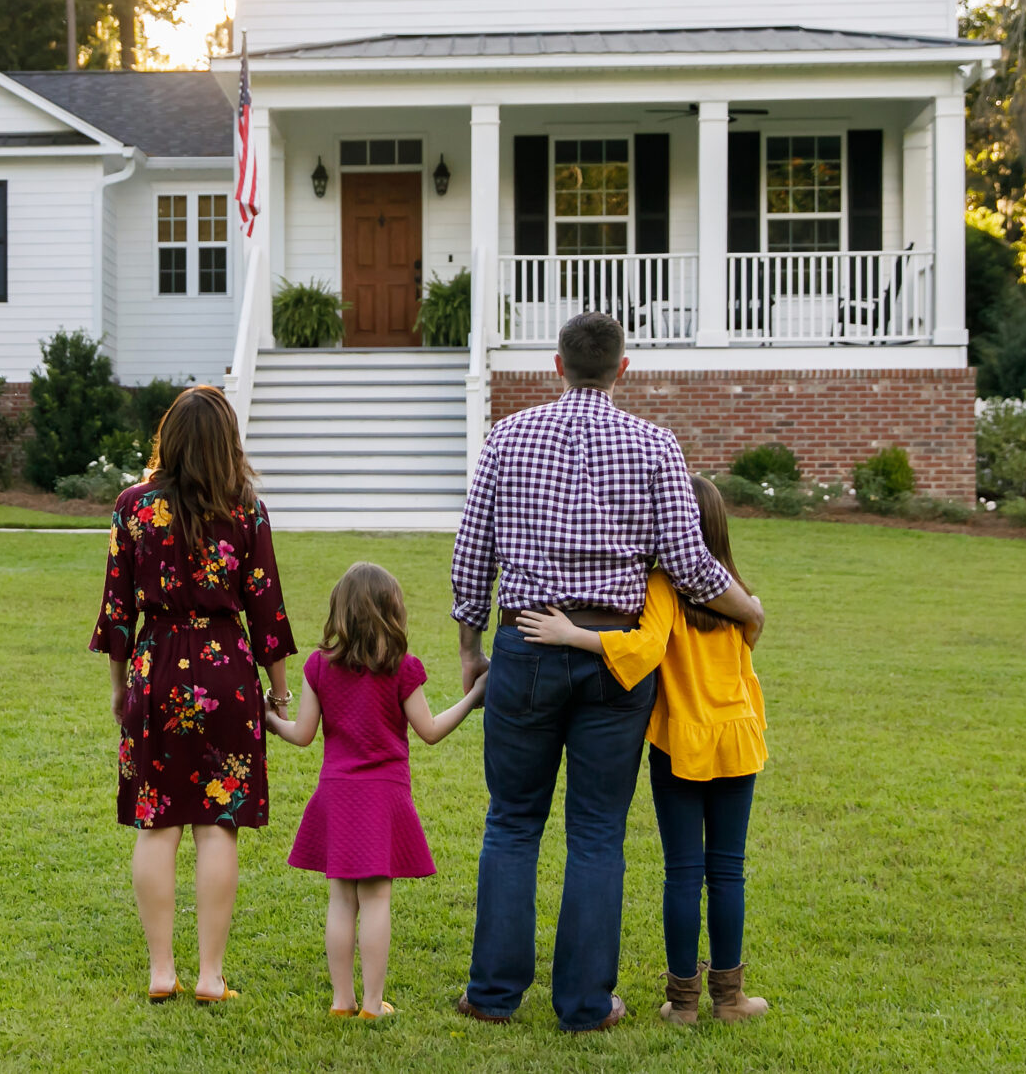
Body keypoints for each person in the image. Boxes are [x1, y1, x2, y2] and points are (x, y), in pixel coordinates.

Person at [449, 311, 766, 1033]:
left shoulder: (507, 436)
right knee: (596, 831)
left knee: (511, 821)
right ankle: (587, 1004)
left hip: (527, 643)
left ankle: (493, 993)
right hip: (616, 658)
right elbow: (689, 564)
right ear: (624, 369)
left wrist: (471, 647)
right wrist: (749, 607)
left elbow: (473, 551)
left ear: (555, 364)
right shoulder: (656, 445)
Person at [516, 476, 771, 1025]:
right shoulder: (736, 592)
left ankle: (683, 1004)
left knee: (683, 872)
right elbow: (749, 639)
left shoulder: (662, 583)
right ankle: (730, 1000)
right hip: (737, 739)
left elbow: (647, 648)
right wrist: (752, 611)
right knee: (728, 871)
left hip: (680, 743)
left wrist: (572, 635)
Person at [89, 385, 297, 1004]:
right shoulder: (247, 511)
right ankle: (209, 976)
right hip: (227, 672)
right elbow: (268, 611)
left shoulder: (133, 508)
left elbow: (117, 614)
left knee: (156, 825)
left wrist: (120, 691)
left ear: (169, 439)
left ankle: (161, 972)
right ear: (227, 443)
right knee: (217, 824)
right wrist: (279, 694)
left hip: (155, 669)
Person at [266, 562, 488, 1021]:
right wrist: (472, 698)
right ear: (393, 612)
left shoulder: (318, 666)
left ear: (339, 612)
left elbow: (303, 734)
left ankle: (340, 1001)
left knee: (340, 900)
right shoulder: (401, 668)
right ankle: (371, 1004)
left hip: (336, 794)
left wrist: (268, 718)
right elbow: (428, 731)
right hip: (383, 798)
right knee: (376, 900)